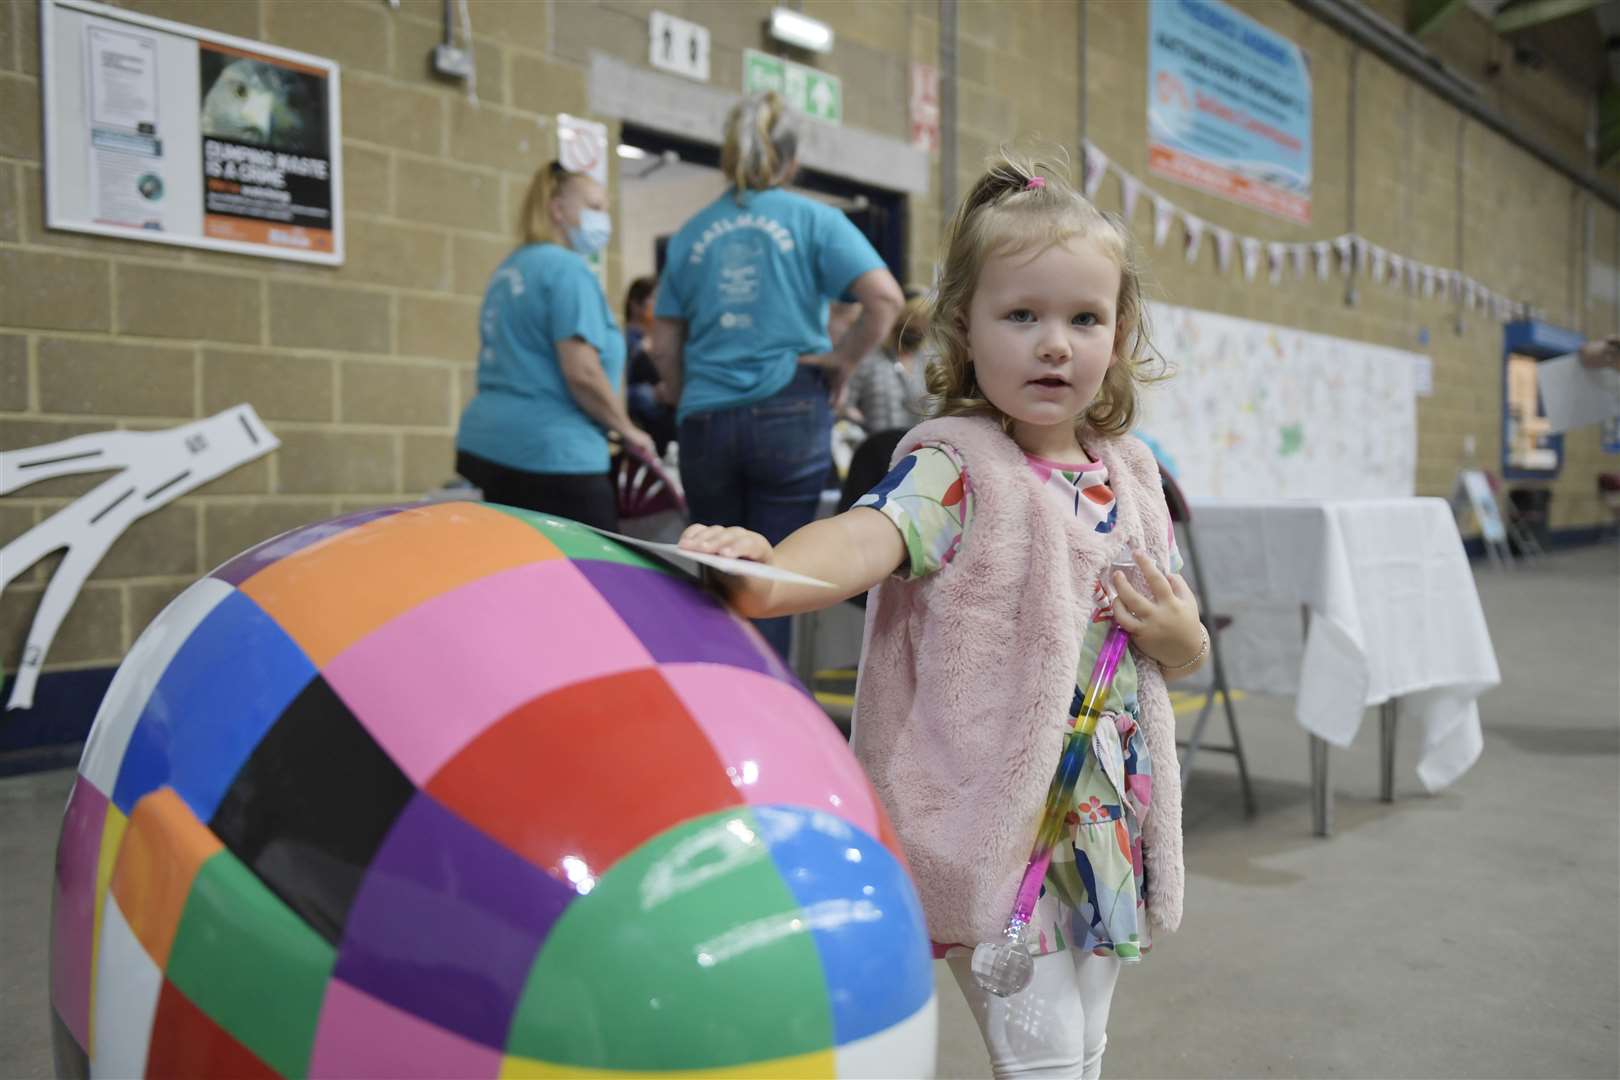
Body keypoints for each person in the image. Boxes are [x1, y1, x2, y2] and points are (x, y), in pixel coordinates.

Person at [678, 151, 1202, 1080]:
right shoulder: (959, 469)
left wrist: (1178, 636)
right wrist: (771, 571)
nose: (1056, 344)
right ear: (964, 328)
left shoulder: (1131, 476)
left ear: (1119, 332)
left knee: (1086, 1046)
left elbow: (1178, 635)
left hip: (1102, 824)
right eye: (1023, 315)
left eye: (1085, 318)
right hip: (993, 827)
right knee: (1043, 1063)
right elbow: (865, 538)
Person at [651, 90, 904, 659]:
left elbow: (664, 342)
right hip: (789, 408)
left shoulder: (692, 233)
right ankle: (768, 721)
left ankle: (712, 705)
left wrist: (678, 388)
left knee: (713, 572)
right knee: (772, 577)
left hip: (707, 417)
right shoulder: (814, 220)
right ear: (790, 162)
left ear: (726, 158)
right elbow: (884, 298)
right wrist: (844, 360)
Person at [455, 161, 654, 530]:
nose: (603, 220)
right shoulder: (567, 270)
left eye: (605, 209)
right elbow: (582, 373)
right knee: (593, 578)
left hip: (490, 445)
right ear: (558, 209)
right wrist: (629, 431)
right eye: (593, 208)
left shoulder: (509, 270)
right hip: (552, 455)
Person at [843, 294, 930, 435]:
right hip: (876, 446)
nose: (918, 331)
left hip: (918, 446)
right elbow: (845, 404)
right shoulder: (868, 358)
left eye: (923, 326)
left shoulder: (929, 361)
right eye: (912, 324)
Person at [623, 275, 676, 455]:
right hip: (643, 432)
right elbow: (618, 392)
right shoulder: (627, 343)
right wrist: (652, 394)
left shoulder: (659, 338)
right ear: (635, 304)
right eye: (654, 298)